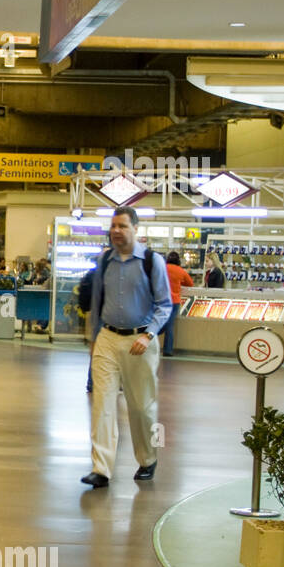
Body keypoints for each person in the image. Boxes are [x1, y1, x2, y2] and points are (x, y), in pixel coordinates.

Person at [81, 207, 171, 489]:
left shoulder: (151, 261)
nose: (116, 231)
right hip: (107, 337)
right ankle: (101, 468)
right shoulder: (104, 260)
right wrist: (95, 338)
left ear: (135, 229)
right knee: (102, 404)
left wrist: (149, 334)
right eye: (113, 226)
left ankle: (148, 459)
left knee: (142, 406)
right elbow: (97, 302)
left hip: (140, 339)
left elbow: (165, 304)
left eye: (122, 226)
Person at [160, 250, 193, 357]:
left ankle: (149, 337)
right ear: (178, 260)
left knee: (161, 321)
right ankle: (168, 350)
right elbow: (190, 283)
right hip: (174, 301)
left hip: (162, 300)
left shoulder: (163, 268)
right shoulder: (180, 271)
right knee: (170, 325)